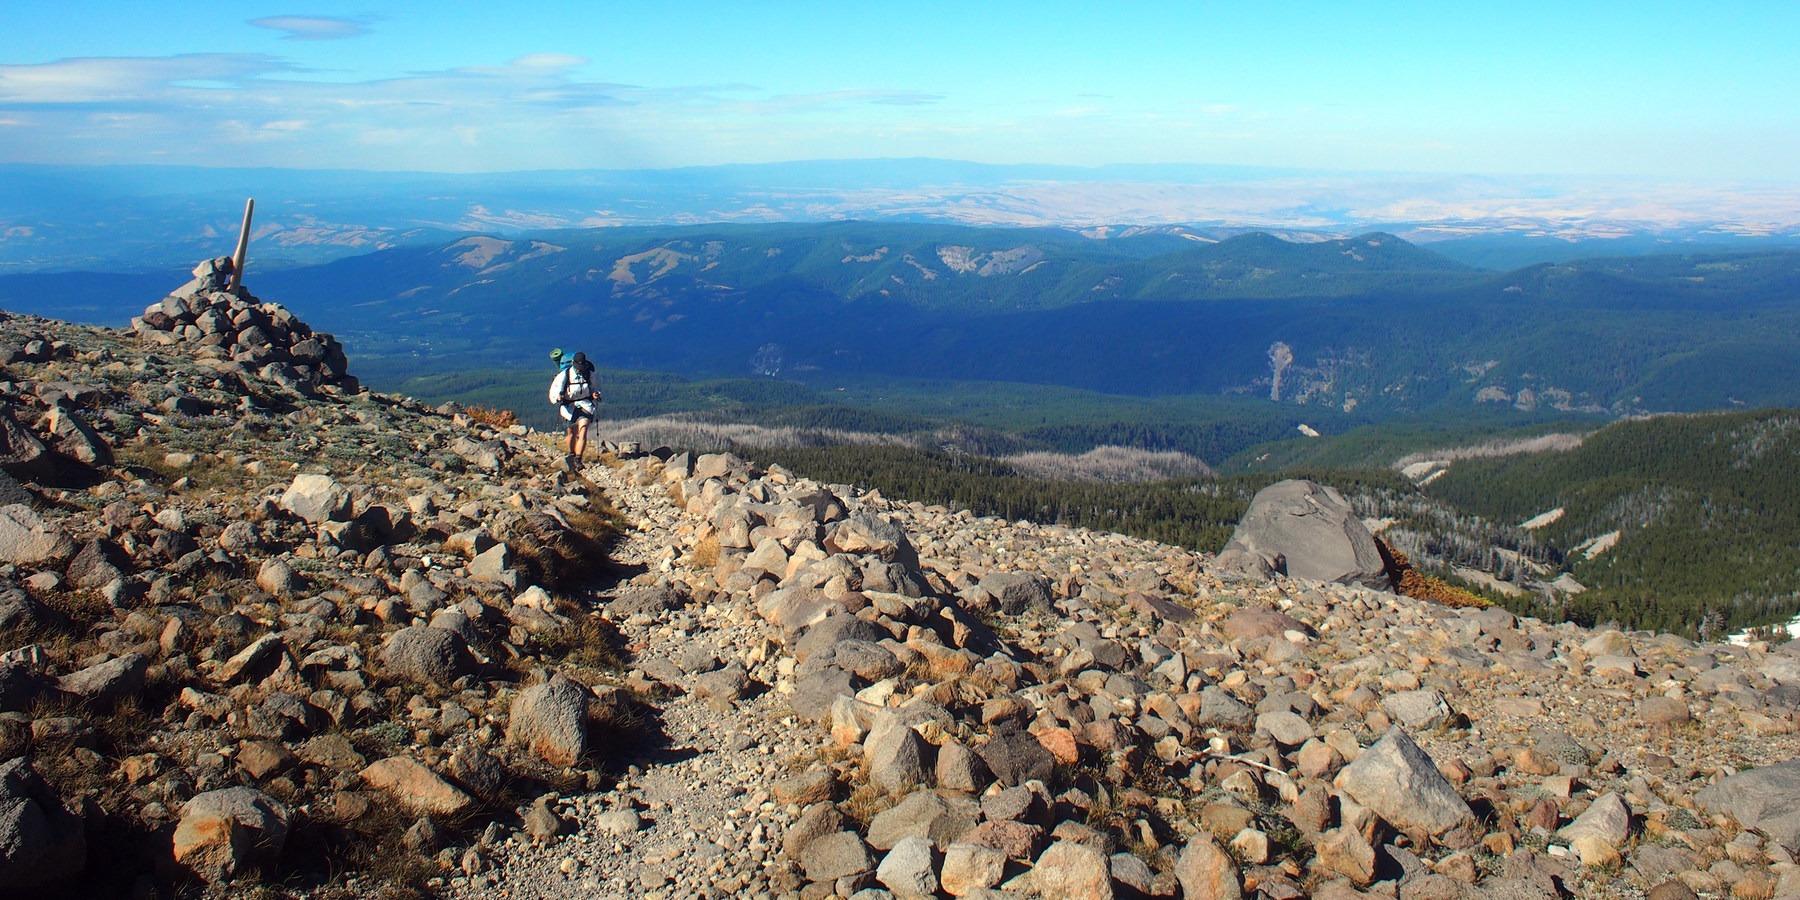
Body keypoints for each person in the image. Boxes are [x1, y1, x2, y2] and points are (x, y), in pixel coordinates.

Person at [547, 351, 600, 470]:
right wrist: (557, 398)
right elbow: (554, 392)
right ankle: (571, 453)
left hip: (585, 405)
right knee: (571, 433)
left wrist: (596, 394)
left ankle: (578, 458)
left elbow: (596, 387)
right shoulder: (564, 375)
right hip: (569, 407)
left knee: (583, 430)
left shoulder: (589, 374)